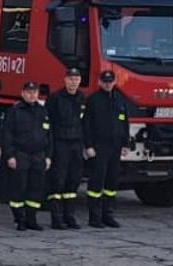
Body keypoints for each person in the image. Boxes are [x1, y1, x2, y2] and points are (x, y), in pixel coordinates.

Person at [0, 81, 52, 231]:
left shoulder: (43, 111)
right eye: (29, 92)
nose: (32, 95)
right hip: (20, 154)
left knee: (36, 189)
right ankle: (19, 219)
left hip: (38, 155)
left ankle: (32, 219)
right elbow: (7, 135)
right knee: (19, 188)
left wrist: (48, 156)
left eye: (34, 92)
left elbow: (49, 136)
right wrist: (9, 156)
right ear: (23, 93)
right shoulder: (15, 111)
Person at [83, 69, 132, 229]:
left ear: (115, 82)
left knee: (111, 182)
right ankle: (94, 217)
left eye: (110, 82)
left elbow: (124, 122)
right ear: (99, 82)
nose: (108, 84)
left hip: (115, 146)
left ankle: (108, 214)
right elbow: (87, 125)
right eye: (105, 81)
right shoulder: (93, 100)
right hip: (99, 146)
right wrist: (88, 146)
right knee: (96, 182)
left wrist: (125, 144)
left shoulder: (119, 100)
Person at [45, 68, 88, 230]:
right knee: (58, 181)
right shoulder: (55, 98)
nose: (73, 82)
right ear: (65, 80)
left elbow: (84, 122)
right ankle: (56, 218)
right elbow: (49, 125)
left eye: (76, 79)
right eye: (70, 79)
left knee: (73, 180)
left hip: (76, 144)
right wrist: (50, 148)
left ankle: (69, 216)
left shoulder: (82, 98)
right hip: (60, 144)